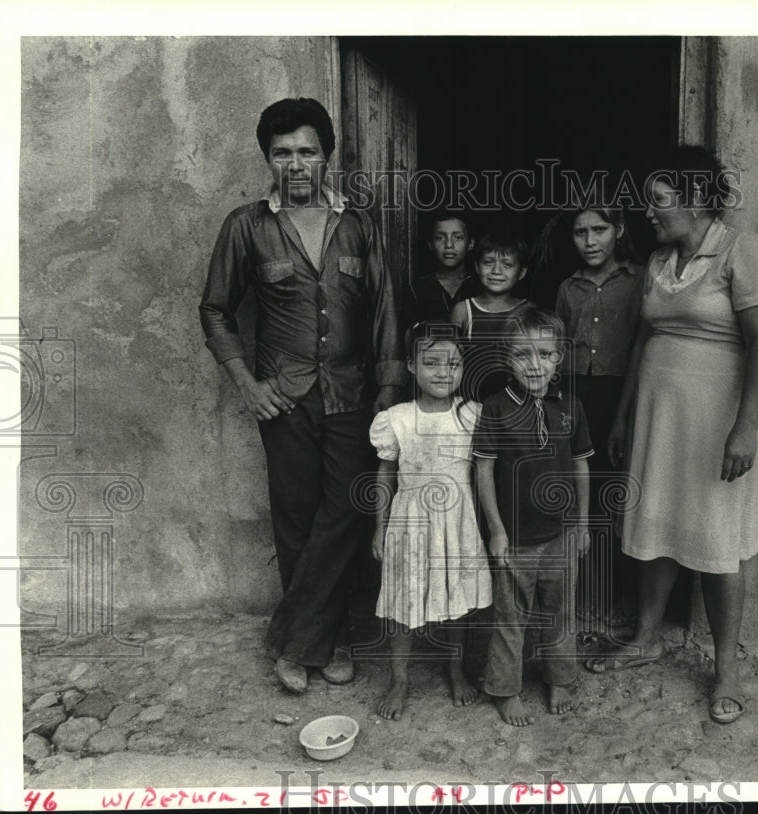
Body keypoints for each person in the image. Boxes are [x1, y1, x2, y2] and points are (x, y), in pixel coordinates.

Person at [199, 97, 405, 694]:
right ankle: (327, 641)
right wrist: (247, 384)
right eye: (283, 153)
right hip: (283, 397)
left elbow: (387, 309)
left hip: (352, 394)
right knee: (295, 521)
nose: (296, 164)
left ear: (328, 157)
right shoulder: (247, 226)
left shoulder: (359, 223)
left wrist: (389, 391)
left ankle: (299, 639)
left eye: (308, 152)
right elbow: (215, 310)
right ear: (268, 158)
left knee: (347, 512)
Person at [586, 146, 758, 727]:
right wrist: (622, 416)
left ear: (695, 198)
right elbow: (644, 340)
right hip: (657, 414)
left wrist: (744, 427)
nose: (650, 212)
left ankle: (725, 669)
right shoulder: (658, 259)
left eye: (659, 200)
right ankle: (646, 638)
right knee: (656, 520)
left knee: (719, 540)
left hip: (716, 420)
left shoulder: (742, 250)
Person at [473, 308, 593, 726]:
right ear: (508, 358)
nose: (534, 364)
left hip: (560, 534)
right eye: (523, 355)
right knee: (510, 618)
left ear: (559, 356)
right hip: (516, 539)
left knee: (560, 611)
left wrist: (581, 524)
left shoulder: (571, 405)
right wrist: (497, 531)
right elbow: (484, 469)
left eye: (544, 354)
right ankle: (505, 689)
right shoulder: (495, 407)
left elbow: (581, 465)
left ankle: (559, 677)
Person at [369, 321, 492, 720]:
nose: (443, 372)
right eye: (432, 362)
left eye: (453, 363)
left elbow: (482, 475)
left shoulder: (472, 415)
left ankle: (456, 669)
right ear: (411, 366)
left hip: (457, 523)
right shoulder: (397, 418)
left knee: (457, 600)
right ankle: (400, 678)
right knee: (403, 601)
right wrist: (379, 525)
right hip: (409, 524)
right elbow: (385, 474)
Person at [552, 204, 645, 636]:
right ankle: (587, 596)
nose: (589, 241)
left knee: (620, 497)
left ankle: (625, 595)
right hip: (577, 396)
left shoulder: (640, 280)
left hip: (621, 396)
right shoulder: (568, 288)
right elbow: (556, 348)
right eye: (580, 232)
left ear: (619, 230)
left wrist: (625, 415)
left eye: (599, 230)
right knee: (580, 497)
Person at [450, 231, 535, 402]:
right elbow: (451, 362)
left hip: (516, 404)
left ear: (522, 272)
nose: (496, 271)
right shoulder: (463, 311)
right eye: (488, 263)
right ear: (476, 266)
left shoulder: (529, 310)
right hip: (470, 402)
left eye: (507, 265)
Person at [401, 211, 481, 328]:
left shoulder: (481, 286)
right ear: (430, 244)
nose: (449, 245)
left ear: (470, 243)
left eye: (458, 238)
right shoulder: (417, 289)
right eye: (440, 238)